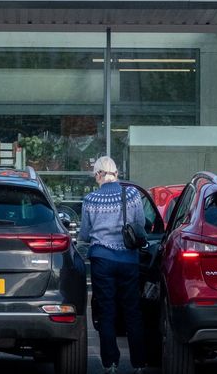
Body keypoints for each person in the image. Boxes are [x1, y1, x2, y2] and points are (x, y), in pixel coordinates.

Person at [78, 156, 146, 374]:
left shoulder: (90, 200)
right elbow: (141, 226)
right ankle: (138, 364)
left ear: (98, 175)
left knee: (106, 311)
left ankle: (110, 364)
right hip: (128, 260)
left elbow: (85, 234)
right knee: (132, 312)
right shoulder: (133, 195)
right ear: (116, 173)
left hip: (102, 261)